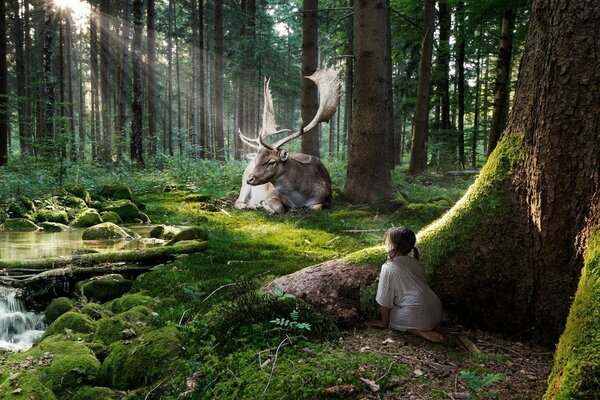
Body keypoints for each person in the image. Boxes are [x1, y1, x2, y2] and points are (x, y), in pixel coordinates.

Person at [368, 227, 446, 342]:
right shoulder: (415, 262)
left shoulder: (388, 267)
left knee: (393, 316)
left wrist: (384, 323)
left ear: (391, 245)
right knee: (408, 304)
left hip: (415, 312)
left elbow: (384, 300)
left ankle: (418, 330)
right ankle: (434, 325)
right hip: (436, 308)